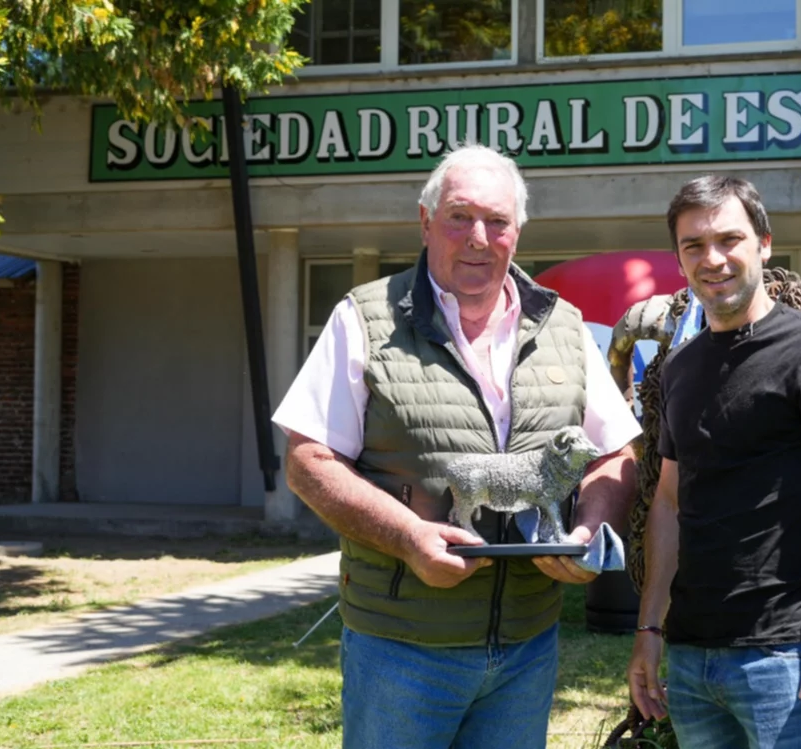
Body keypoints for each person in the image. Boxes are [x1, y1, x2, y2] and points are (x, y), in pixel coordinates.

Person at [273, 144, 641, 749]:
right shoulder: (363, 318)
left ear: (517, 233)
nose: (479, 237)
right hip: (401, 647)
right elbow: (308, 461)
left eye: (497, 221)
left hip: (527, 647)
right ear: (425, 222)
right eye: (460, 217)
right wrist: (409, 538)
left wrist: (587, 533)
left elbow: (615, 454)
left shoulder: (565, 327)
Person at [626, 175, 801, 748]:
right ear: (678, 259)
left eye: (729, 239)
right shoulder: (680, 369)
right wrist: (649, 628)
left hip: (787, 656)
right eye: (693, 246)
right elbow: (669, 501)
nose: (712, 259)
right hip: (692, 658)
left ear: (764, 244)